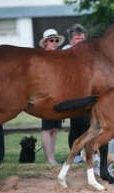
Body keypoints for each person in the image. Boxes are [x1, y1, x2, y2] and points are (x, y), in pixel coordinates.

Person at [62, 24, 89, 164]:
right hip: (73, 93)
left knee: (82, 124)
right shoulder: (66, 50)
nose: (80, 41)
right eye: (77, 38)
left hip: (85, 92)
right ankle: (78, 155)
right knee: (79, 124)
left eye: (83, 38)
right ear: (71, 39)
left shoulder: (87, 51)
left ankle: (80, 154)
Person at [39, 28, 65, 164]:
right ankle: (50, 160)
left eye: (56, 40)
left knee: (55, 129)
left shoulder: (59, 57)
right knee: (47, 128)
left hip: (58, 96)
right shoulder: (42, 57)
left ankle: (52, 158)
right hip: (46, 96)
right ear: (45, 43)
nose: (54, 43)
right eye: (51, 40)